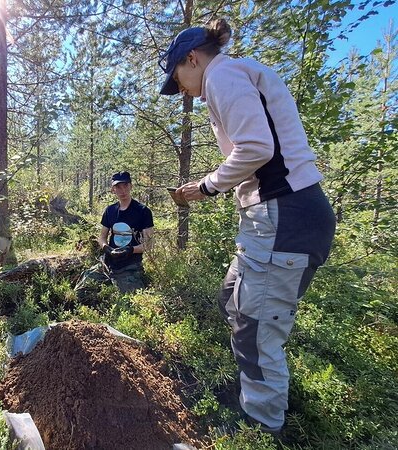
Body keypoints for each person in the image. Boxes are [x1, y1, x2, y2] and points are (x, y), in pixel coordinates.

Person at [159, 20, 336, 434]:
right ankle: (253, 383)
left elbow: (257, 147)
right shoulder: (234, 75)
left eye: (178, 79)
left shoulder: (223, 75)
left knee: (256, 332)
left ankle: (260, 428)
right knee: (232, 300)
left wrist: (207, 186)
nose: (180, 89)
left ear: (192, 58)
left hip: (285, 214)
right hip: (275, 217)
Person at [76, 171, 154, 294]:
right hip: (108, 264)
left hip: (130, 267)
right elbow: (102, 237)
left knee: (129, 302)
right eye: (118, 187)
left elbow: (149, 245)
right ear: (113, 189)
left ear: (131, 186)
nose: (122, 190)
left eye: (125, 185)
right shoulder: (110, 210)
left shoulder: (143, 211)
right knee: (81, 290)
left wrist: (130, 249)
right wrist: (106, 247)